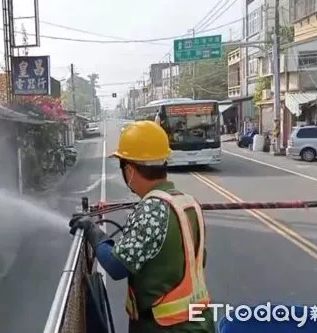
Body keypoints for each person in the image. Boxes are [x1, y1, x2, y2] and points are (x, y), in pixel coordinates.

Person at [69, 120, 215, 333]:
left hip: (164, 327)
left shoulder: (153, 208)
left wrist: (93, 232)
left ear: (129, 170)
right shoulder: (188, 202)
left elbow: (117, 266)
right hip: (198, 322)